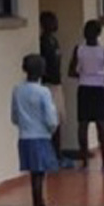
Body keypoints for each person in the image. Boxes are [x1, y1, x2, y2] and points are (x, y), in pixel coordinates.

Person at [12, 54, 59, 206]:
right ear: (42, 71)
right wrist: (52, 128)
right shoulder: (43, 92)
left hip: (25, 137)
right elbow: (51, 118)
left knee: (35, 175)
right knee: (39, 177)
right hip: (41, 136)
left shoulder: (18, 90)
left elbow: (14, 115)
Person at [69, 19, 104, 172]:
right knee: (101, 125)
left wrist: (84, 74)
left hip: (84, 88)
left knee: (83, 125)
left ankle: (84, 162)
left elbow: (71, 71)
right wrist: (98, 75)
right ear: (99, 33)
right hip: (100, 89)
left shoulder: (79, 50)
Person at [39, 11, 72, 168]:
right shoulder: (43, 42)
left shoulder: (54, 41)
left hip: (57, 85)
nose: (56, 24)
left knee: (59, 120)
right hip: (48, 85)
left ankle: (58, 155)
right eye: (52, 21)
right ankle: (52, 156)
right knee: (52, 122)